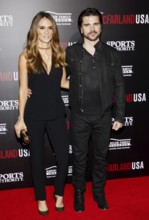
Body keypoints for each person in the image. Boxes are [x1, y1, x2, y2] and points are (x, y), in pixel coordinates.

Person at [66, 8, 125, 212]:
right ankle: (79, 195)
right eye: (87, 24)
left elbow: (119, 86)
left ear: (101, 26)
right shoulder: (70, 52)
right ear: (81, 29)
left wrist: (119, 115)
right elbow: (57, 78)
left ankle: (99, 193)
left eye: (95, 23)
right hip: (79, 116)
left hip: (103, 116)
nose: (92, 28)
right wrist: (33, 87)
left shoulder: (112, 53)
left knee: (101, 157)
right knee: (79, 158)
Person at [14, 11, 69, 216]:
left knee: (63, 158)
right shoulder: (26, 56)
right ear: (35, 30)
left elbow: (63, 83)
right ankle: (41, 198)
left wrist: (86, 85)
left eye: (49, 27)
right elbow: (23, 89)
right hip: (34, 115)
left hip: (56, 113)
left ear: (54, 30)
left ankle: (59, 195)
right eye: (42, 27)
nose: (46, 32)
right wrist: (20, 119)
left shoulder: (59, 54)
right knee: (36, 159)